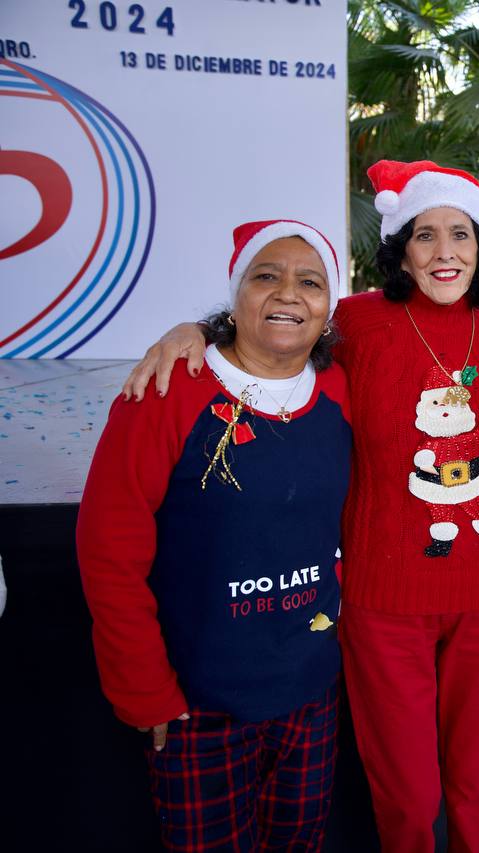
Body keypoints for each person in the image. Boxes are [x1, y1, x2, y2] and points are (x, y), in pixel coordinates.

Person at [121, 160, 479, 852]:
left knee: (477, 785)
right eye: (424, 235)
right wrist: (195, 333)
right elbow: (273, 337)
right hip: (385, 602)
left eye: (461, 235)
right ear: (400, 250)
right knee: (409, 796)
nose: (445, 252)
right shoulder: (355, 324)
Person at [78, 219, 351, 851]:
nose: (288, 294)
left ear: (329, 307)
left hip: (311, 692)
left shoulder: (339, 388)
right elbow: (107, 550)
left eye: (310, 282)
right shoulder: (168, 391)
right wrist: (142, 688)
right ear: (235, 294)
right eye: (265, 276)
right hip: (195, 706)